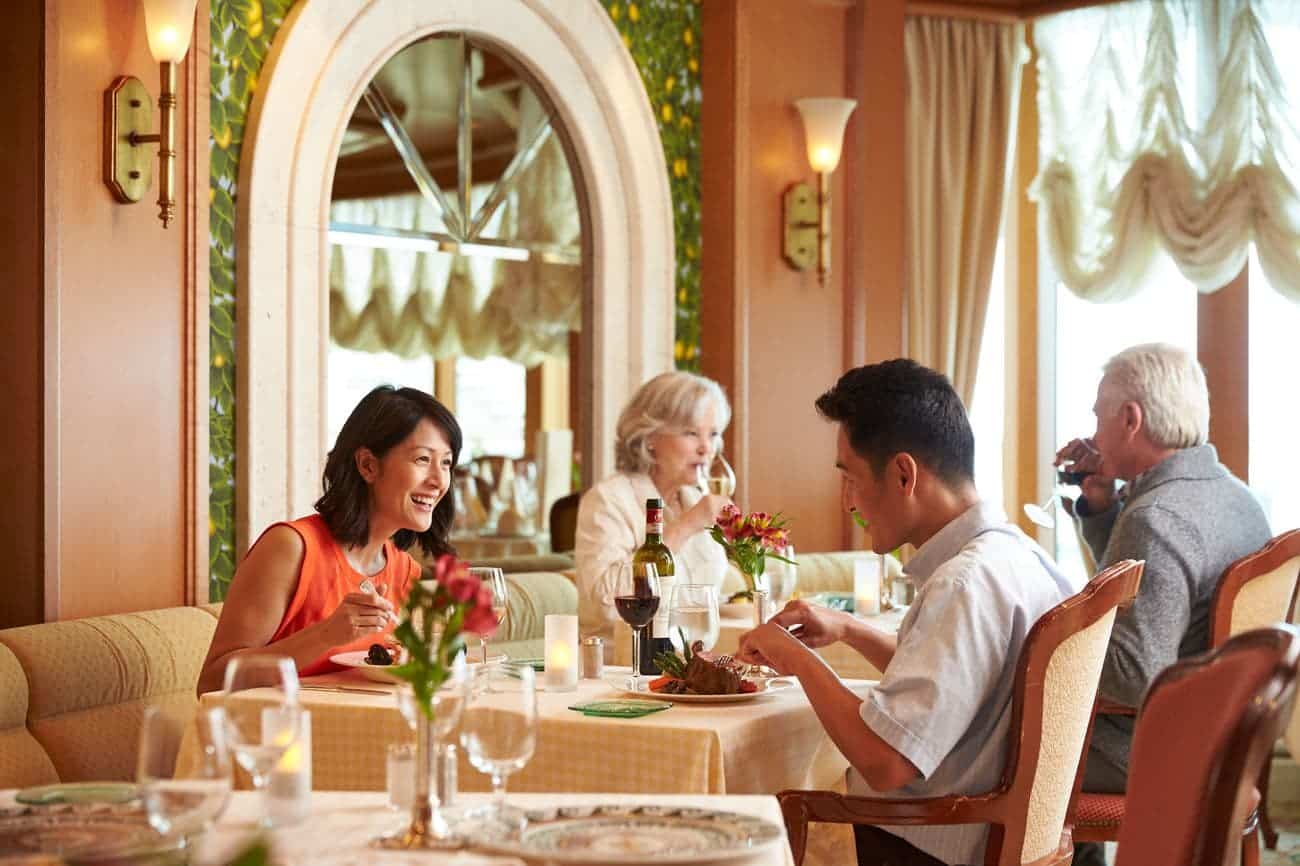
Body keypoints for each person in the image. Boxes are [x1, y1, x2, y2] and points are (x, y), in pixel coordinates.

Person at [737, 360, 1077, 866]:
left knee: (745, 818)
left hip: (920, 849)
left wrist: (797, 659)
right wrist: (849, 629)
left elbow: (886, 761)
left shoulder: (963, 583)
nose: (849, 503)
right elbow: (958, 683)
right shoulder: (1018, 556)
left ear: (903, 474)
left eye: (850, 478)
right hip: (1001, 839)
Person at [1054, 343, 1271, 866]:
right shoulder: (1237, 498)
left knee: (1001, 748)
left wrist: (1050, 640)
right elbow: (1153, 594)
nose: (1093, 435)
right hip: (1229, 744)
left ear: (1130, 420)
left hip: (1162, 753)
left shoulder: (1157, 517)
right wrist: (1102, 508)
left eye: (1098, 416)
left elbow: (1134, 674)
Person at [197, 386, 461, 695]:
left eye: (446, 463)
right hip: (278, 725)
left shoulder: (402, 570)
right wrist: (326, 635)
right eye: (422, 459)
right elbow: (212, 681)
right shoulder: (291, 547)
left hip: (355, 725)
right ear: (368, 465)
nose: (439, 481)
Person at [575, 371, 734, 649]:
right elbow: (607, 604)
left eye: (713, 434)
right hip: (623, 664)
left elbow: (702, 592)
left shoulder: (695, 499)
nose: (706, 448)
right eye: (691, 433)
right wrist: (684, 527)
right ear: (650, 437)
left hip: (690, 662)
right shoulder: (608, 500)